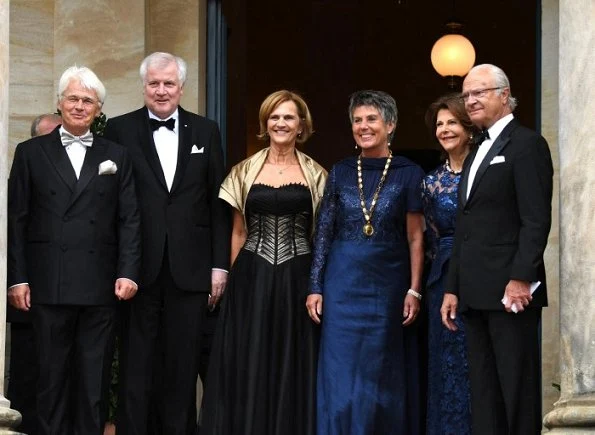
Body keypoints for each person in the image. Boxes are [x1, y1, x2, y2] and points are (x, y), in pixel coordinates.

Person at [7, 66, 141, 435]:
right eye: (73, 98)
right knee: (50, 378)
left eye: (88, 101)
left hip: (100, 285)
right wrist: (17, 278)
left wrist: (128, 272)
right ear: (59, 103)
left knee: (93, 379)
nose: (80, 106)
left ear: (98, 109)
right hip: (49, 281)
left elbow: (129, 219)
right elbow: (17, 220)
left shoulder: (117, 154)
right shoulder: (30, 153)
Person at [103, 52, 230, 435]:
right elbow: (110, 204)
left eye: (169, 83)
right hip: (137, 270)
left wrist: (219, 266)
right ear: (143, 86)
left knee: (181, 369)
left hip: (190, 272)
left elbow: (217, 204)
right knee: (136, 369)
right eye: (154, 83)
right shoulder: (119, 131)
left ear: (181, 87)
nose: (161, 91)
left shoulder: (206, 131)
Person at [201, 90, 327, 435]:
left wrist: (319, 285)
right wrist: (227, 277)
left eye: (288, 117)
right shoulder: (244, 170)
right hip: (250, 278)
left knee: (293, 358)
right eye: (274, 117)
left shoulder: (317, 174)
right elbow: (239, 231)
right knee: (250, 357)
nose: (281, 123)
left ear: (301, 125)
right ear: (265, 123)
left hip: (298, 278)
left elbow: (320, 236)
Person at [441, 64, 553, 435]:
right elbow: (466, 225)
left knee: (516, 391)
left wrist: (522, 278)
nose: (469, 100)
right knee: (484, 393)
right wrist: (453, 286)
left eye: (479, 93)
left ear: (504, 95)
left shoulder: (527, 145)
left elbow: (535, 220)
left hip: (510, 293)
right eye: (466, 94)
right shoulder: (476, 150)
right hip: (474, 292)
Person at [307, 90, 425, 434]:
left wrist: (414, 290)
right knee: (339, 375)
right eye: (357, 120)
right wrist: (315, 286)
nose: (363, 126)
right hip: (342, 285)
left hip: (388, 286)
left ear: (390, 124)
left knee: (381, 375)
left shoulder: (409, 172)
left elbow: (416, 237)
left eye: (371, 119)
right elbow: (325, 232)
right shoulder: (341, 171)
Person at [421, 94, 477, 435]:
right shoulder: (430, 182)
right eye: (440, 124)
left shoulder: (485, 169)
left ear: (468, 127)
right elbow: (428, 239)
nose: (444, 129)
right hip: (441, 279)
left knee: (476, 361)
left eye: (452, 122)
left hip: (480, 271)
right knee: (445, 363)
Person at [6, 113, 62, 435]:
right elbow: (15, 230)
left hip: (68, 293)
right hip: (29, 294)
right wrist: (18, 280)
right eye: (49, 137)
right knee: (27, 374)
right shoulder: (23, 173)